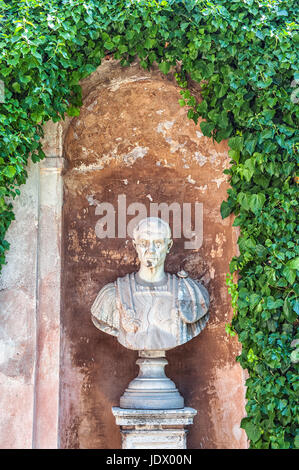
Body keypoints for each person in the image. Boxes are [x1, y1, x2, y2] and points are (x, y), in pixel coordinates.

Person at [91, 217, 209, 351]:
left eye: (158, 243)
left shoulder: (189, 293)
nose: (151, 250)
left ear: (168, 246)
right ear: (135, 246)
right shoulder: (113, 294)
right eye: (143, 243)